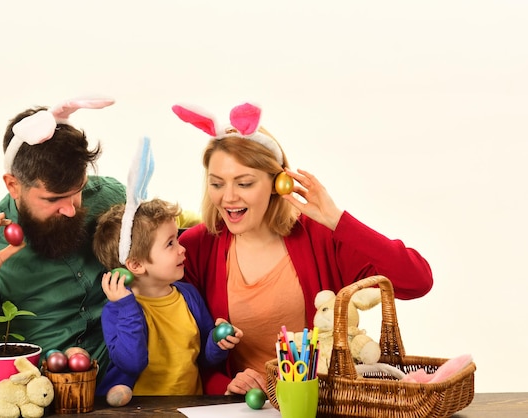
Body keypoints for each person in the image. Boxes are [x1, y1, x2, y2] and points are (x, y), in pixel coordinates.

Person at [0, 97, 199, 399]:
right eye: (53, 199)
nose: (71, 209)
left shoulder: (109, 196)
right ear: (13, 185)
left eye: (77, 191)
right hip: (50, 399)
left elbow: (172, 229)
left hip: (134, 389)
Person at [172, 103, 434, 396]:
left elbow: (417, 281)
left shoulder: (319, 237)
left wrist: (338, 221)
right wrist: (224, 385)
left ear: (277, 183)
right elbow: (180, 350)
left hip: (321, 406)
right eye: (217, 183)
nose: (229, 197)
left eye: (244, 183)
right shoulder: (195, 248)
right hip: (244, 409)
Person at [92, 137, 241, 406]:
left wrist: (218, 345)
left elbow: (203, 357)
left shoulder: (188, 296)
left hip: (188, 408)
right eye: (170, 243)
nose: (182, 249)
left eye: (178, 239)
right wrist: (127, 306)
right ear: (136, 265)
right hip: (138, 411)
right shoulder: (116, 310)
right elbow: (133, 361)